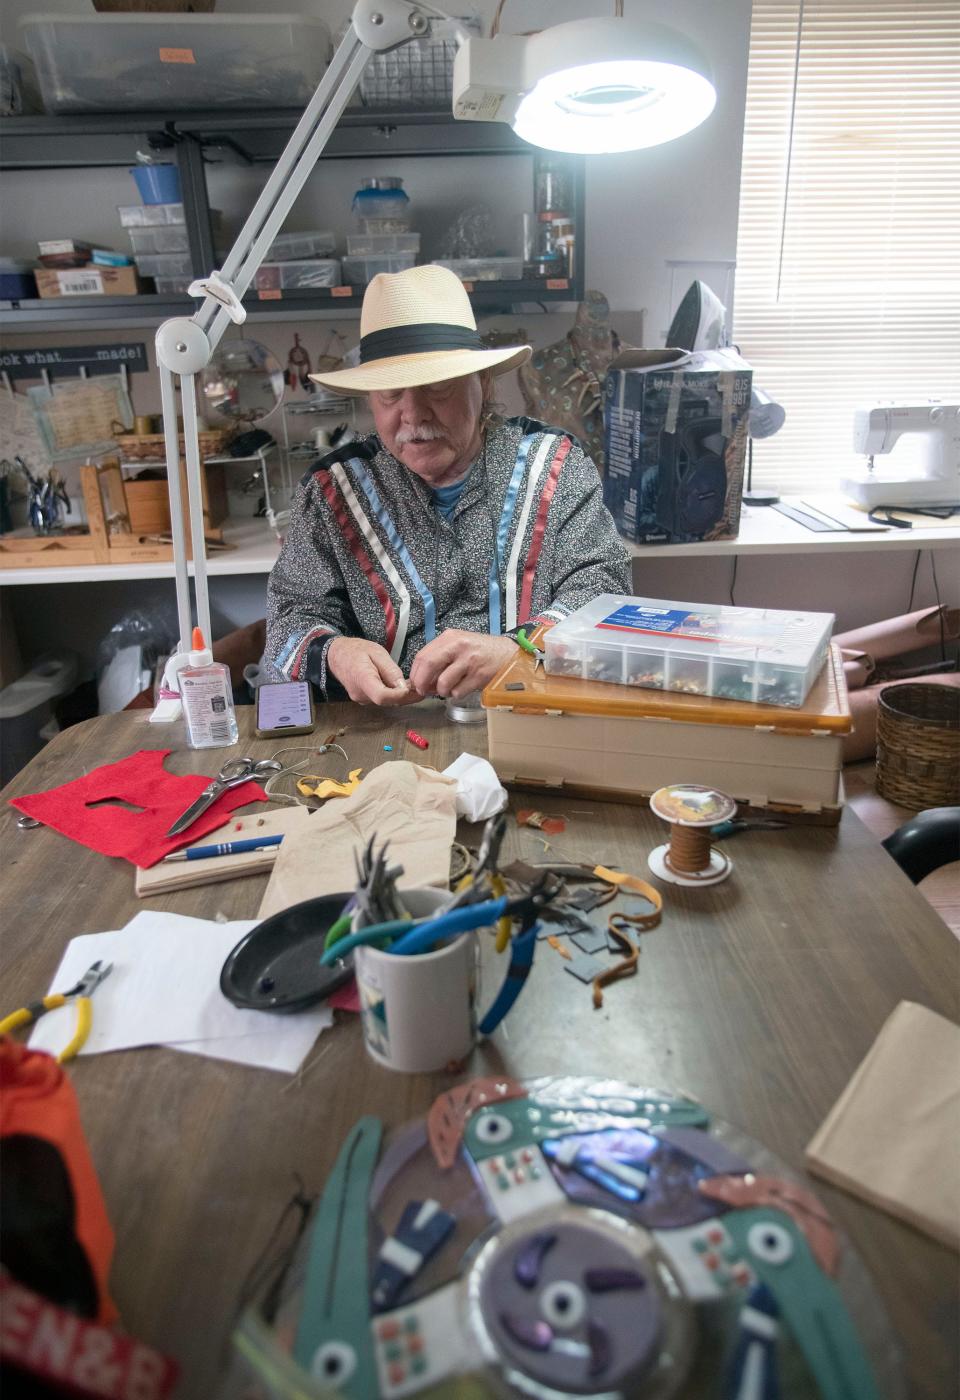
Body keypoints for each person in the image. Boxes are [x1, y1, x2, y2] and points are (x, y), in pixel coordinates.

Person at [264, 265, 630, 705]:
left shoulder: (554, 467)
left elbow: (606, 594)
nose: (413, 414)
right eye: (390, 393)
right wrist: (338, 651)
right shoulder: (331, 493)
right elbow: (290, 616)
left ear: (483, 383)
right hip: (385, 739)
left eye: (436, 387)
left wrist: (515, 650)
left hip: (529, 723)